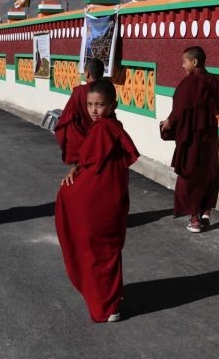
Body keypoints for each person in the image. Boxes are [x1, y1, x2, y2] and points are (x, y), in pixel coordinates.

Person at [55, 79, 139, 323]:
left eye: (100, 105)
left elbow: (91, 158)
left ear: (112, 105)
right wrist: (76, 171)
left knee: (98, 250)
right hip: (113, 194)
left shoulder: (103, 128)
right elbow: (90, 161)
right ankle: (112, 297)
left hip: (103, 199)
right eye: (90, 104)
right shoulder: (111, 125)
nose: (94, 110)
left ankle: (108, 307)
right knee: (108, 248)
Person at [160, 46, 219, 233]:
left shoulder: (189, 83)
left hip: (192, 137)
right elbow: (218, 108)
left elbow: (180, 109)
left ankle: (195, 218)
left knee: (190, 175)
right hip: (210, 136)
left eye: (185, 62)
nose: (183, 66)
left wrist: (169, 122)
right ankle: (206, 212)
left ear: (194, 62)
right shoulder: (214, 81)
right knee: (209, 172)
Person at [54, 58, 105, 165]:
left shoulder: (80, 92)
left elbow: (68, 117)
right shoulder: (107, 90)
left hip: (82, 140)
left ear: (87, 74)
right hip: (102, 139)